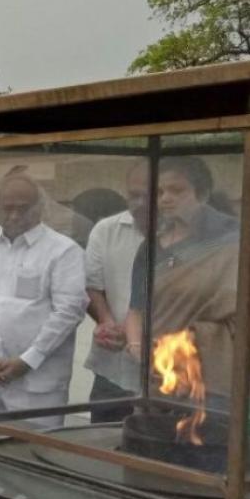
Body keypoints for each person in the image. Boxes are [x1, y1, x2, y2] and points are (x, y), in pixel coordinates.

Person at [0, 172, 86, 429]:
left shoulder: (63, 251)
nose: (15, 216)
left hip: (37, 384)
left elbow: (69, 311)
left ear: (40, 208)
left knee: (34, 455)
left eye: (23, 208)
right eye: (8, 208)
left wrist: (29, 359)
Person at [124, 156, 245, 398]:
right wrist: (139, 349)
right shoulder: (151, 246)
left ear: (203, 192)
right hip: (160, 369)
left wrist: (191, 342)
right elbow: (136, 308)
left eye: (176, 190)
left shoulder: (234, 241)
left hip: (211, 374)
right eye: (159, 192)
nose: (166, 198)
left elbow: (247, 312)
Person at [83, 161, 147, 423]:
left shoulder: (183, 233)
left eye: (148, 194)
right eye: (134, 195)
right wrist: (107, 323)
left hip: (168, 370)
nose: (141, 202)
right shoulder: (106, 230)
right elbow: (92, 286)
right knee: (103, 440)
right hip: (113, 367)